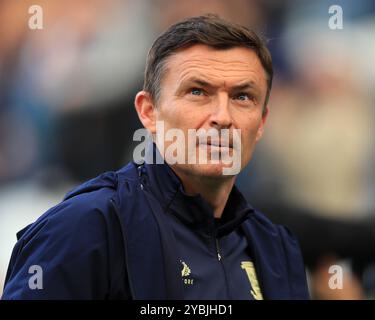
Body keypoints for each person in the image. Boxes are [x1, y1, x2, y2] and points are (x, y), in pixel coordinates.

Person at [2, 14, 309, 300]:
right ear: (149, 113)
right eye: (198, 92)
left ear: (262, 123)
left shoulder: (276, 248)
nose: (222, 116)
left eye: (243, 97)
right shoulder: (84, 229)